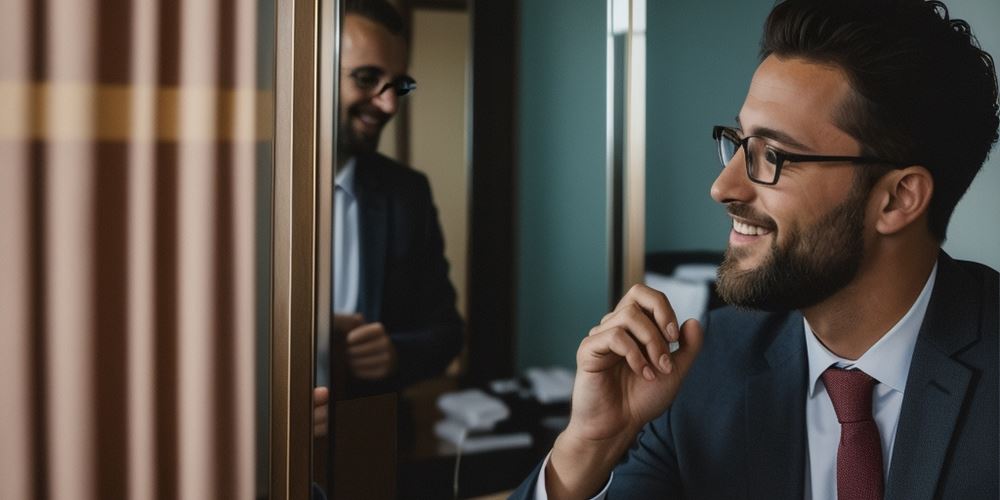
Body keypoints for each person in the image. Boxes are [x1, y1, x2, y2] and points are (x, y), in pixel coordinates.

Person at [514, 0, 999, 498]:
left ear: (897, 199)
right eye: (738, 142)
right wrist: (590, 444)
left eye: (772, 156)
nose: (723, 187)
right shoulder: (704, 368)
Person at [314, 0, 463, 435]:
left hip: (371, 441)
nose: (388, 105)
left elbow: (447, 331)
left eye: (397, 86)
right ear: (315, 67)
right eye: (366, 79)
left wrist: (395, 353)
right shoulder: (245, 189)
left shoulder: (407, 193)